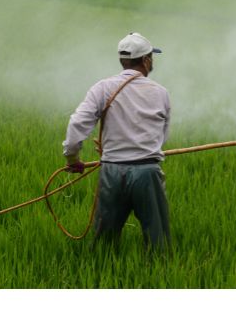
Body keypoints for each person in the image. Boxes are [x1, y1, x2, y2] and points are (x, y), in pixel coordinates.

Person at [62, 32, 171, 251]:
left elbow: (77, 124)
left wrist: (73, 158)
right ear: (146, 60)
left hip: (112, 171)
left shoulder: (102, 88)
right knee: (158, 242)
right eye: (152, 57)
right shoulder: (160, 93)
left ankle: (101, 272)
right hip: (147, 172)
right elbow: (162, 136)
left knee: (105, 243)